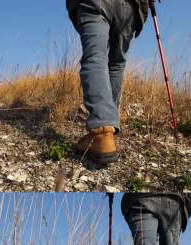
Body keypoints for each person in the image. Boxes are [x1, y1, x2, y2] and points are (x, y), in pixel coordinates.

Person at [66, 0, 161, 165]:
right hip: (130, 6)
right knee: (116, 65)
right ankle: (108, 128)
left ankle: (103, 130)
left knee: (95, 57)